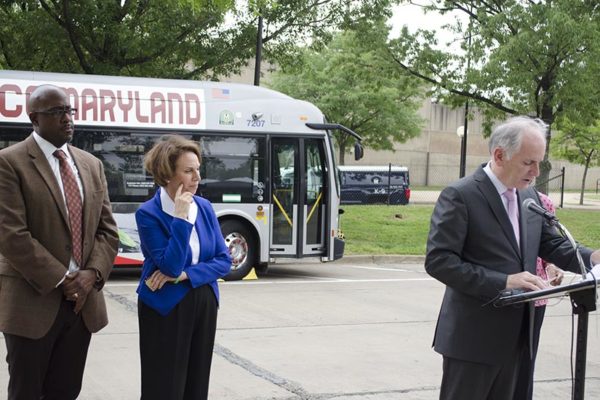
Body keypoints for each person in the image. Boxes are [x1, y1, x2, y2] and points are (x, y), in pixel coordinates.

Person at [425, 116, 600, 400]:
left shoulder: (527, 195)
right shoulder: (461, 195)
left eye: (540, 162)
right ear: (499, 155)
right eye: (528, 162)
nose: (536, 171)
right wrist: (504, 281)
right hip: (474, 341)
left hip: (519, 339)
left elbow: (551, 244)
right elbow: (439, 260)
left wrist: (592, 257)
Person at [0, 84, 119, 400]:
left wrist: (91, 276)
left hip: (81, 306)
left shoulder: (91, 165)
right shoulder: (9, 162)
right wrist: (63, 279)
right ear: (34, 118)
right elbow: (12, 235)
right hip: (32, 302)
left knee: (66, 391)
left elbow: (107, 232)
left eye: (69, 111)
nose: (67, 118)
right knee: (26, 392)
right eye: (57, 112)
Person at [135, 135, 232, 400]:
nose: (197, 177)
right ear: (167, 174)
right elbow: (170, 263)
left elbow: (224, 261)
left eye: (198, 169)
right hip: (166, 306)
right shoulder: (148, 213)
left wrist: (186, 275)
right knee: (164, 386)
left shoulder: (205, 207)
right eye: (188, 171)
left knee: (196, 384)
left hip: (204, 299)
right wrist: (180, 217)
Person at [513, 192, 563, 400]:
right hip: (505, 295)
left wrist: (552, 266)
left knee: (526, 360)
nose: (533, 171)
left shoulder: (542, 203)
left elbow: (547, 244)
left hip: (536, 295)